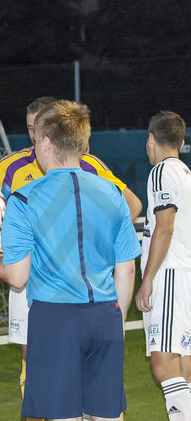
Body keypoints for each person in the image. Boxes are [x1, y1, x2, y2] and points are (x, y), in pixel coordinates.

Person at [0, 100, 141, 420]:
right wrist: (116, 318)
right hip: (105, 314)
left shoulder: (25, 198)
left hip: (55, 318)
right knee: (107, 415)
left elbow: (18, 277)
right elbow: (127, 267)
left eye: (35, 142)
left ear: (46, 142)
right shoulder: (112, 193)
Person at [135, 111, 191, 420]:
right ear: (181, 143)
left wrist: (148, 279)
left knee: (163, 364)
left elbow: (164, 227)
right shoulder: (185, 173)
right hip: (185, 275)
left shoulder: (161, 172)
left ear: (151, 139)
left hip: (170, 275)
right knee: (184, 362)